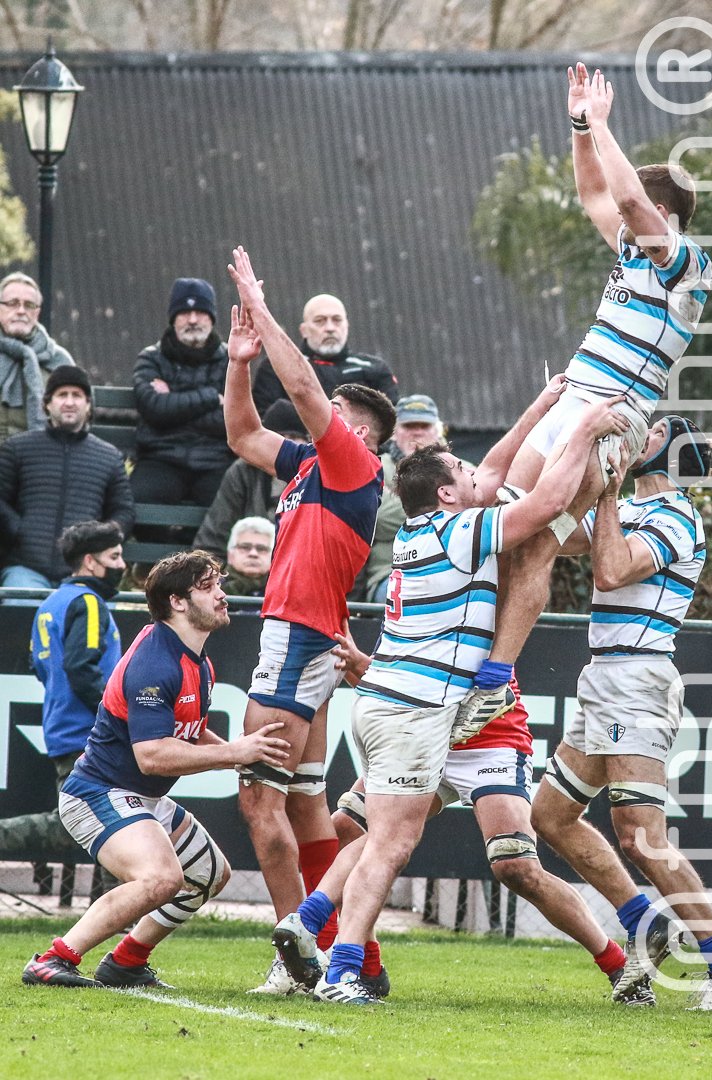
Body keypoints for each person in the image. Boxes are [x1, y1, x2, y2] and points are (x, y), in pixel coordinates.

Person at [270, 388, 628, 1005]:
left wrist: (542, 406)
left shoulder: (422, 530)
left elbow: (490, 472)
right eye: (461, 471)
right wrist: (585, 428)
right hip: (417, 710)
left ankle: (309, 923)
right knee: (389, 845)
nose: (476, 474)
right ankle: (344, 971)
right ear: (445, 494)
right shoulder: (460, 531)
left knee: (381, 836)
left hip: (394, 701)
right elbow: (545, 502)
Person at [456, 63, 712, 734]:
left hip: (610, 417)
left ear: (663, 216)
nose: (627, 217)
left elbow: (623, 197)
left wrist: (602, 123)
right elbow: (597, 192)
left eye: (641, 210)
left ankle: (493, 683)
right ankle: (464, 660)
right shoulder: (632, 249)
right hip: (568, 398)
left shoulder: (688, 266)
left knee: (538, 544)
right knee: (498, 520)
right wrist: (578, 125)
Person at [531, 417, 712, 1012]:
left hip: (638, 679)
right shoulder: (629, 507)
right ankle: (645, 921)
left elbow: (611, 571)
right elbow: (556, 535)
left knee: (640, 835)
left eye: (654, 432)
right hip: (603, 678)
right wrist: (570, 463)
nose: (639, 434)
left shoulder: (676, 515)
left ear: (673, 455)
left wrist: (607, 492)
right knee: (550, 815)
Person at [225, 246, 397, 986]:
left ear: (364, 436)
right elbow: (241, 436)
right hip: (305, 636)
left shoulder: (356, 466)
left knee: (258, 799)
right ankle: (359, 961)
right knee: (302, 807)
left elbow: (300, 387)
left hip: (298, 637)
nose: (326, 417)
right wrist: (239, 362)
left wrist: (263, 312)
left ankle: (294, 958)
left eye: (341, 414)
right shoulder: (309, 465)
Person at [324, 625, 647, 1005]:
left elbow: (477, 672)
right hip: (425, 738)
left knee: (516, 866)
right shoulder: (410, 596)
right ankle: (365, 967)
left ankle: (617, 963)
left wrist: (365, 666)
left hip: (491, 742)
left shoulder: (480, 597)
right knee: (348, 825)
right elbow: (400, 679)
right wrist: (363, 666)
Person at [22, 550, 289, 989]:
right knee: (161, 878)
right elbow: (152, 755)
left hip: (136, 795)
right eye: (208, 587)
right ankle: (53, 959)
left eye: (219, 584)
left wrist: (241, 756)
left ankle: (126, 961)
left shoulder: (195, 658)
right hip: (98, 793)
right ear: (177, 601)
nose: (222, 595)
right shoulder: (155, 663)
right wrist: (237, 753)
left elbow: (188, 732)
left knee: (209, 875)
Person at [0, 521, 125, 894]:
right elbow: (81, 667)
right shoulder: (88, 602)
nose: (121, 565)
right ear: (90, 561)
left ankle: (115, 911)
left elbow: (38, 666)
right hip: (90, 733)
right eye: (114, 556)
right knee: (85, 823)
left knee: (114, 822)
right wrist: (116, 715)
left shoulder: (52, 602)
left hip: (63, 728)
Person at [0, 366, 134, 590]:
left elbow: (124, 511)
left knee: (88, 609)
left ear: (88, 405)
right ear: (47, 404)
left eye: (77, 395)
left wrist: (99, 539)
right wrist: (19, 530)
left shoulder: (109, 456)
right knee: (21, 605)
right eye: (62, 395)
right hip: (26, 568)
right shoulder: (17, 448)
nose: (70, 402)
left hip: (85, 572)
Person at [130, 278, 233, 507]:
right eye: (185, 313)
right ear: (173, 319)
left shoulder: (231, 360)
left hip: (215, 461)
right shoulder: (150, 358)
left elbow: (232, 419)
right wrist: (212, 397)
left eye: (200, 312)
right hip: (160, 459)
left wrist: (174, 406)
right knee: (134, 504)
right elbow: (155, 409)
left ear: (212, 318)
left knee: (234, 507)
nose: (193, 320)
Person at [193, 400, 308, 563]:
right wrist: (217, 575)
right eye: (279, 437)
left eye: (294, 438)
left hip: (297, 569)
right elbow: (214, 538)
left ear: (308, 443)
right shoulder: (243, 471)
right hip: (244, 568)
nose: (285, 445)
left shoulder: (318, 476)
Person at [363, 393, 451, 604]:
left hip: (453, 568)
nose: (417, 432)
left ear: (438, 430)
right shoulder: (373, 466)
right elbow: (379, 518)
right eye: (409, 426)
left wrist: (401, 501)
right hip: (392, 572)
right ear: (394, 432)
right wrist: (447, 507)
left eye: (424, 426)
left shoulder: (462, 468)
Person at [252, 292, 398, 417]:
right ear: (304, 330)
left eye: (337, 320)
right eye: (320, 321)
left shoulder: (374, 368)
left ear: (347, 325)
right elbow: (264, 420)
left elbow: (390, 420)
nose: (330, 328)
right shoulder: (277, 366)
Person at [0, 271, 75, 445]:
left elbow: (79, 418)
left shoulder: (58, 360)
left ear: (37, 312)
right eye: (12, 303)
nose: (21, 311)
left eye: (29, 305)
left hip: (40, 454)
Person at [221, 516, 274, 598]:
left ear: (273, 555)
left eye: (261, 549)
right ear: (230, 554)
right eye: (245, 547)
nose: (253, 554)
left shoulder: (284, 591)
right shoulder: (213, 589)